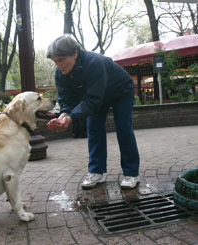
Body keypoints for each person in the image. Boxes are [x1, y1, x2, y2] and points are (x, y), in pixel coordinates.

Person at [46, 34, 140, 190]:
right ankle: (97, 171)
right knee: (94, 129)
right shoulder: (59, 73)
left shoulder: (95, 63)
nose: (58, 65)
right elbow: (66, 100)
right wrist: (64, 115)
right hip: (96, 96)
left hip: (120, 91)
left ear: (75, 53)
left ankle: (131, 173)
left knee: (123, 128)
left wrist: (71, 118)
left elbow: (92, 100)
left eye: (61, 60)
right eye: (55, 61)